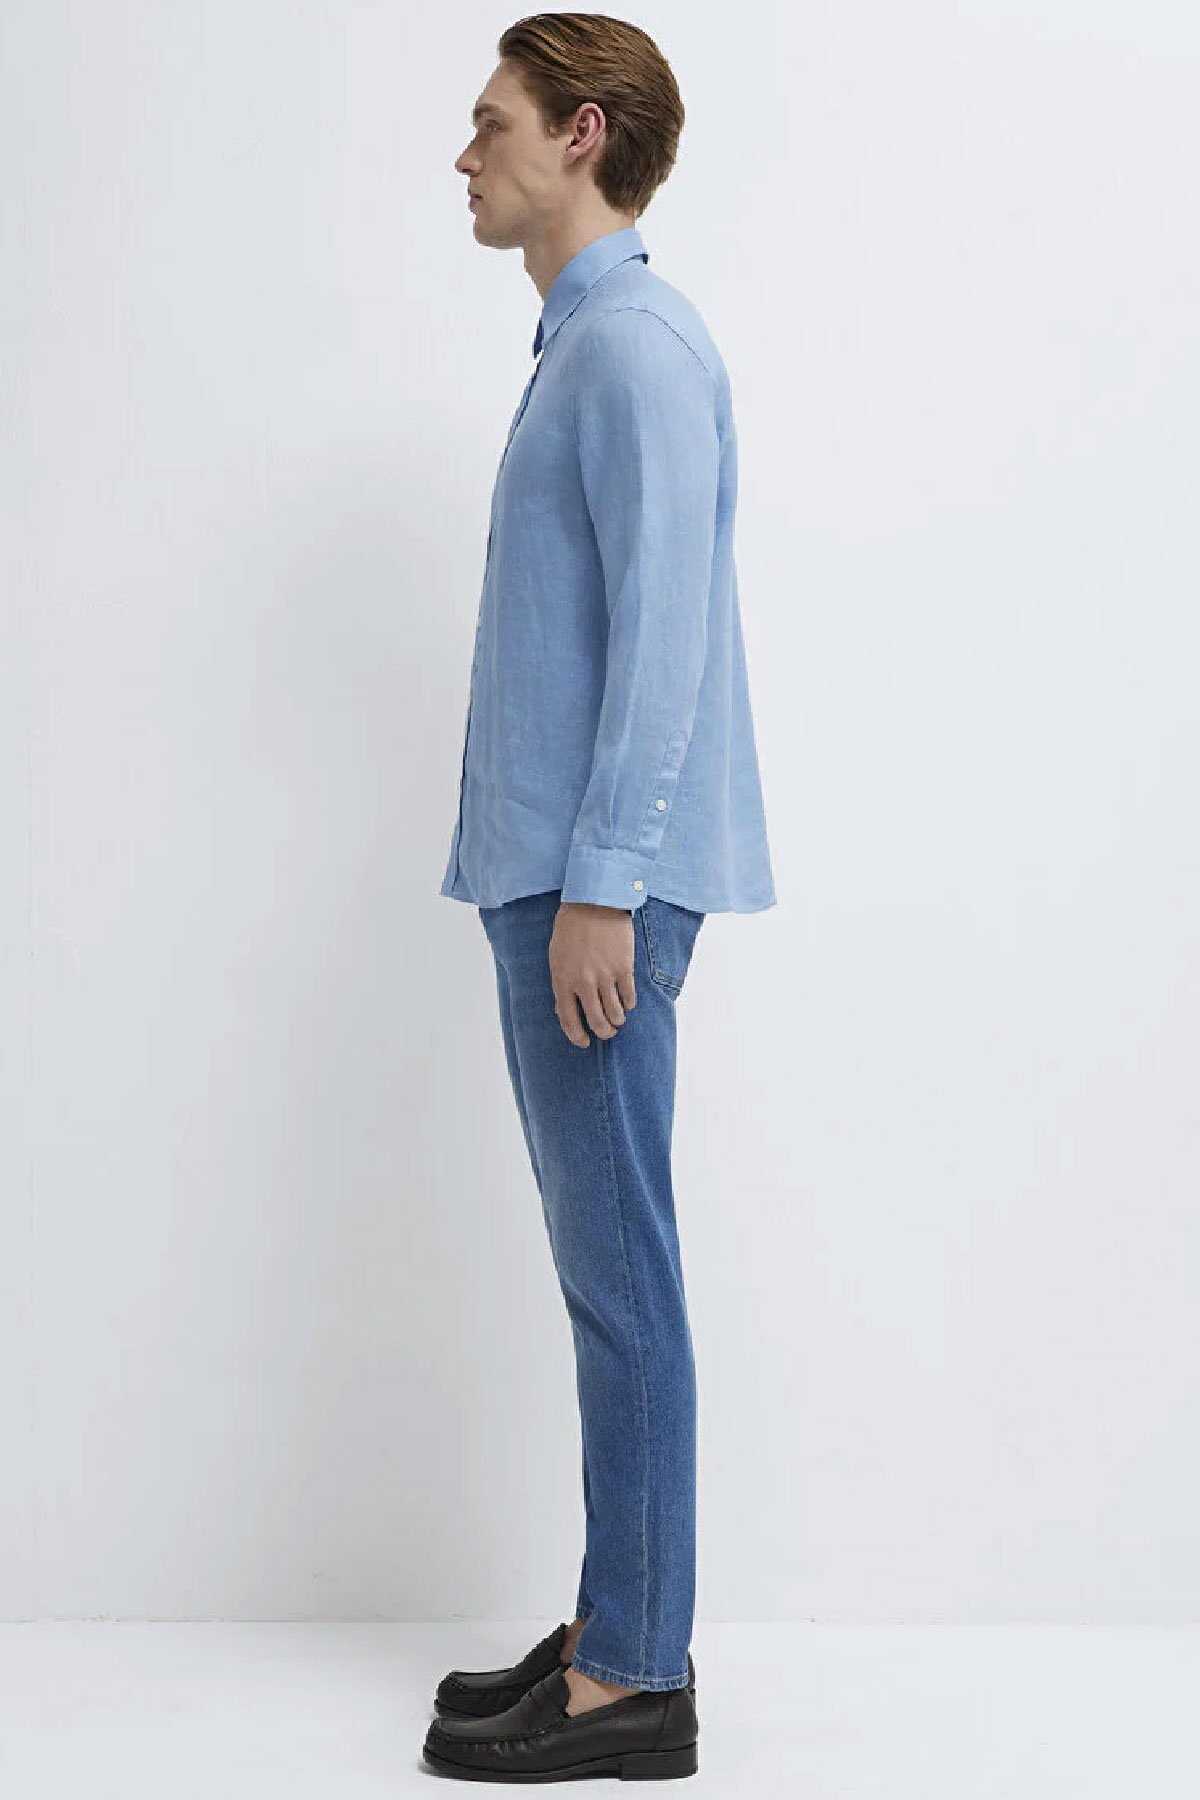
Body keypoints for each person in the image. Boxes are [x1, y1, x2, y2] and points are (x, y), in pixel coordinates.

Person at [425, 12, 776, 1783]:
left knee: (621, 1276)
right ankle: (619, 1621)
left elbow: (664, 649)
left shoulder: (632, 346)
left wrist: (604, 893)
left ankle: (635, 1679)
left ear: (579, 133)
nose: (464, 154)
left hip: (590, 894)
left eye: (491, 122)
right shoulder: (588, 344)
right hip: (558, 878)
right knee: (607, 1274)